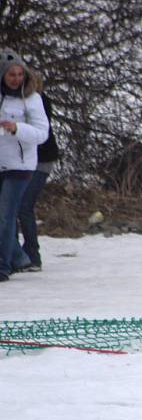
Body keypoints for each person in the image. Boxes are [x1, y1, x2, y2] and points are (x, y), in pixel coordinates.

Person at [0, 48, 49, 282]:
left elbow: (42, 134)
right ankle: (20, 258)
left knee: (7, 215)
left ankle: (3, 265)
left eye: (20, 74)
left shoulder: (32, 98)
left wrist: (16, 128)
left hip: (20, 167)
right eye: (12, 75)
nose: (16, 79)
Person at [16, 69, 59, 271]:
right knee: (15, 206)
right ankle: (16, 253)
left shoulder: (39, 102)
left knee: (24, 205)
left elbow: (38, 132)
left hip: (41, 160)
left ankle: (32, 255)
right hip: (22, 160)